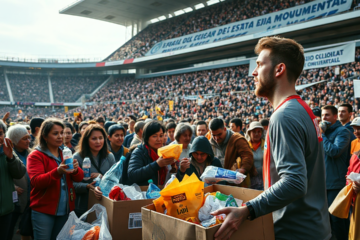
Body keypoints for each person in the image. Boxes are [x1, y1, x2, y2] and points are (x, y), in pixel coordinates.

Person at [212, 37, 331, 240]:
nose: (254, 72)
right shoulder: (302, 110)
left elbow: (294, 182)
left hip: (296, 232)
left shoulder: (284, 115)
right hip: (314, 228)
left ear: (279, 70)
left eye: (259, 64)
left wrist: (248, 209)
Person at [27, 119, 83, 240]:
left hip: (66, 210)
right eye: (55, 133)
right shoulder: (36, 155)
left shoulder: (65, 152)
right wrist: (58, 171)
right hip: (44, 210)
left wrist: (76, 169)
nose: (60, 136)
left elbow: (79, 178)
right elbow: (36, 181)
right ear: (45, 136)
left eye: (62, 133)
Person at [321, 105, 351, 239]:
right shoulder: (324, 132)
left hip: (336, 184)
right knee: (326, 221)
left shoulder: (342, 132)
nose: (323, 118)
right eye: (322, 115)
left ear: (335, 116)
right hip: (322, 184)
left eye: (327, 115)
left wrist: (321, 134)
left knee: (337, 220)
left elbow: (335, 151)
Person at [73, 124, 115, 216]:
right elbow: (72, 184)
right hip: (84, 205)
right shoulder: (77, 157)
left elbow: (115, 181)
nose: (98, 141)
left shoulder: (109, 156)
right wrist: (87, 186)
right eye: (94, 139)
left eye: (101, 138)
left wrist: (101, 176)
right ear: (86, 140)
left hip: (105, 203)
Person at [0, 120, 26, 240]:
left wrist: (10, 157)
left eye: (0, 133)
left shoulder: (7, 152)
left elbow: (20, 173)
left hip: (6, 209)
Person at [209, 118, 255, 186]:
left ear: (225, 129)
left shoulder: (237, 139)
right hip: (218, 182)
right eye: (214, 135)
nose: (216, 138)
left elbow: (247, 156)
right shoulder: (210, 143)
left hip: (235, 183)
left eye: (219, 134)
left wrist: (242, 170)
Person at [127, 121, 175, 186]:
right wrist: (157, 164)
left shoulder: (165, 151)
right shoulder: (139, 152)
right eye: (154, 136)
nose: (159, 139)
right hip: (144, 193)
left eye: (161, 136)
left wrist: (177, 169)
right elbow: (132, 175)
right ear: (146, 138)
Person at [7, 125, 32, 240]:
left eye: (28, 137)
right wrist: (12, 186)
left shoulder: (31, 153)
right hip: (13, 201)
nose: (28, 141)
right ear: (15, 141)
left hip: (30, 199)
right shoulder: (7, 155)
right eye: (24, 138)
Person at [245, 122, 264, 190]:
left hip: (264, 178)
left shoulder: (266, 145)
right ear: (249, 133)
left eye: (259, 131)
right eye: (254, 132)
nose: (256, 134)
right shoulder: (245, 145)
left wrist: (259, 170)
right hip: (250, 179)